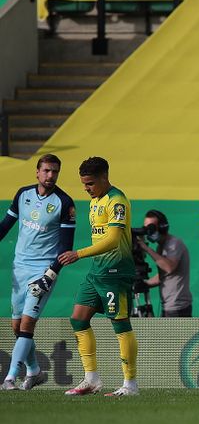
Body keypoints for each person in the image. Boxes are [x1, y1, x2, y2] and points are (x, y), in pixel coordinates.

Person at [57, 157, 140, 397]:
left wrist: (78, 254)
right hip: (97, 272)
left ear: (104, 177)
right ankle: (91, 379)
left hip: (116, 272)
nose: (86, 188)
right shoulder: (95, 202)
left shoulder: (117, 200)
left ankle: (130, 385)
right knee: (78, 319)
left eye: (91, 183)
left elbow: (113, 239)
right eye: (84, 184)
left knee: (120, 325)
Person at [0, 154, 75, 390]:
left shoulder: (64, 203)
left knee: (27, 325)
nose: (50, 175)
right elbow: (4, 226)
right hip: (19, 268)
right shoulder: (23, 195)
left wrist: (50, 274)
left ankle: (10, 378)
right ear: (37, 172)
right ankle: (35, 371)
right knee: (17, 326)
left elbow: (65, 248)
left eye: (55, 172)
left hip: (43, 271)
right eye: (46, 171)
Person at [138, 209, 193, 317]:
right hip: (168, 306)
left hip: (178, 308)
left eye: (151, 227)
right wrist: (145, 284)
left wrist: (146, 248)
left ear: (162, 227)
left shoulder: (174, 243)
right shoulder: (160, 247)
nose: (148, 231)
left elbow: (169, 267)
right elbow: (163, 276)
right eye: (146, 227)